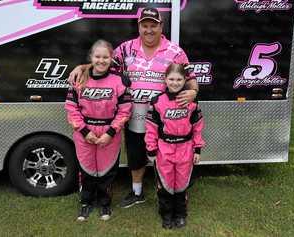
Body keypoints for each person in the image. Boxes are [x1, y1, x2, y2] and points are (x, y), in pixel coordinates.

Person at [69, 7, 198, 208]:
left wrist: (193, 92)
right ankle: (137, 193)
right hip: (133, 116)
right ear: (139, 27)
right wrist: (82, 67)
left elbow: (191, 79)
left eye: (153, 26)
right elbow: (102, 65)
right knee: (136, 156)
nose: (149, 30)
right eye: (145, 26)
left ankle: (170, 193)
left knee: (163, 157)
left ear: (161, 26)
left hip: (164, 118)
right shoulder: (125, 49)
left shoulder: (175, 52)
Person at [65, 39, 132, 221]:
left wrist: (110, 133)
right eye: (97, 56)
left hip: (110, 132)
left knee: (106, 170)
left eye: (105, 57)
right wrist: (85, 132)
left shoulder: (119, 81)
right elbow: (71, 109)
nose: (101, 60)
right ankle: (86, 203)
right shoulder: (79, 78)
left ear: (111, 59)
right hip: (84, 131)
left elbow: (125, 111)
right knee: (86, 169)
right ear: (91, 57)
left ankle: (104, 204)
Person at [145, 63, 205, 229]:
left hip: (185, 148)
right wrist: (151, 148)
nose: (175, 82)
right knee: (165, 184)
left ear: (185, 80)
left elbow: (197, 126)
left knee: (181, 184)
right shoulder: (157, 101)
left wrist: (197, 149)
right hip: (164, 149)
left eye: (179, 79)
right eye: (171, 79)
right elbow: (151, 127)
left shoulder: (191, 101)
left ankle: (180, 214)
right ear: (165, 79)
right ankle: (166, 214)